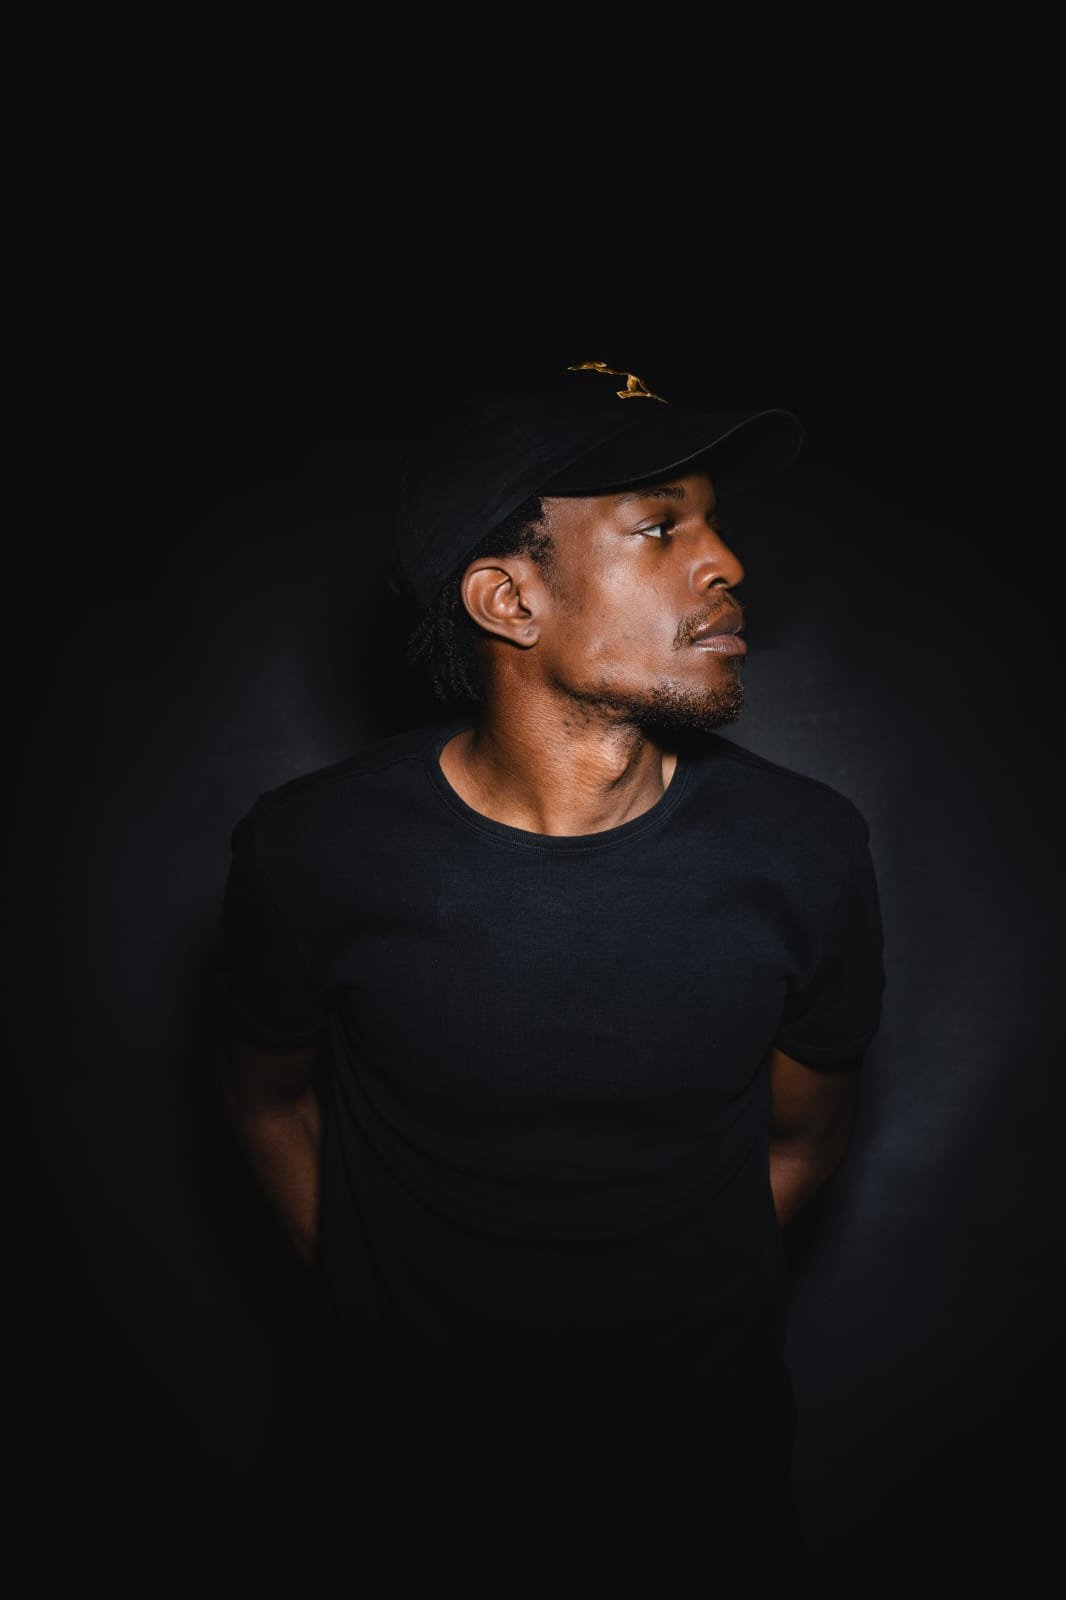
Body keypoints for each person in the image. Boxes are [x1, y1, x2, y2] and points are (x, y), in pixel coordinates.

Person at [210, 359, 885, 1591]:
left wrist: (665, 1316)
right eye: (660, 528)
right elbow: (265, 1100)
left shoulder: (807, 850)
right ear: (509, 599)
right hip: (395, 1503)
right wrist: (378, 1305)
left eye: (715, 522)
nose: (725, 561)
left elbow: (804, 1139)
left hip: (702, 1497)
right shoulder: (313, 850)